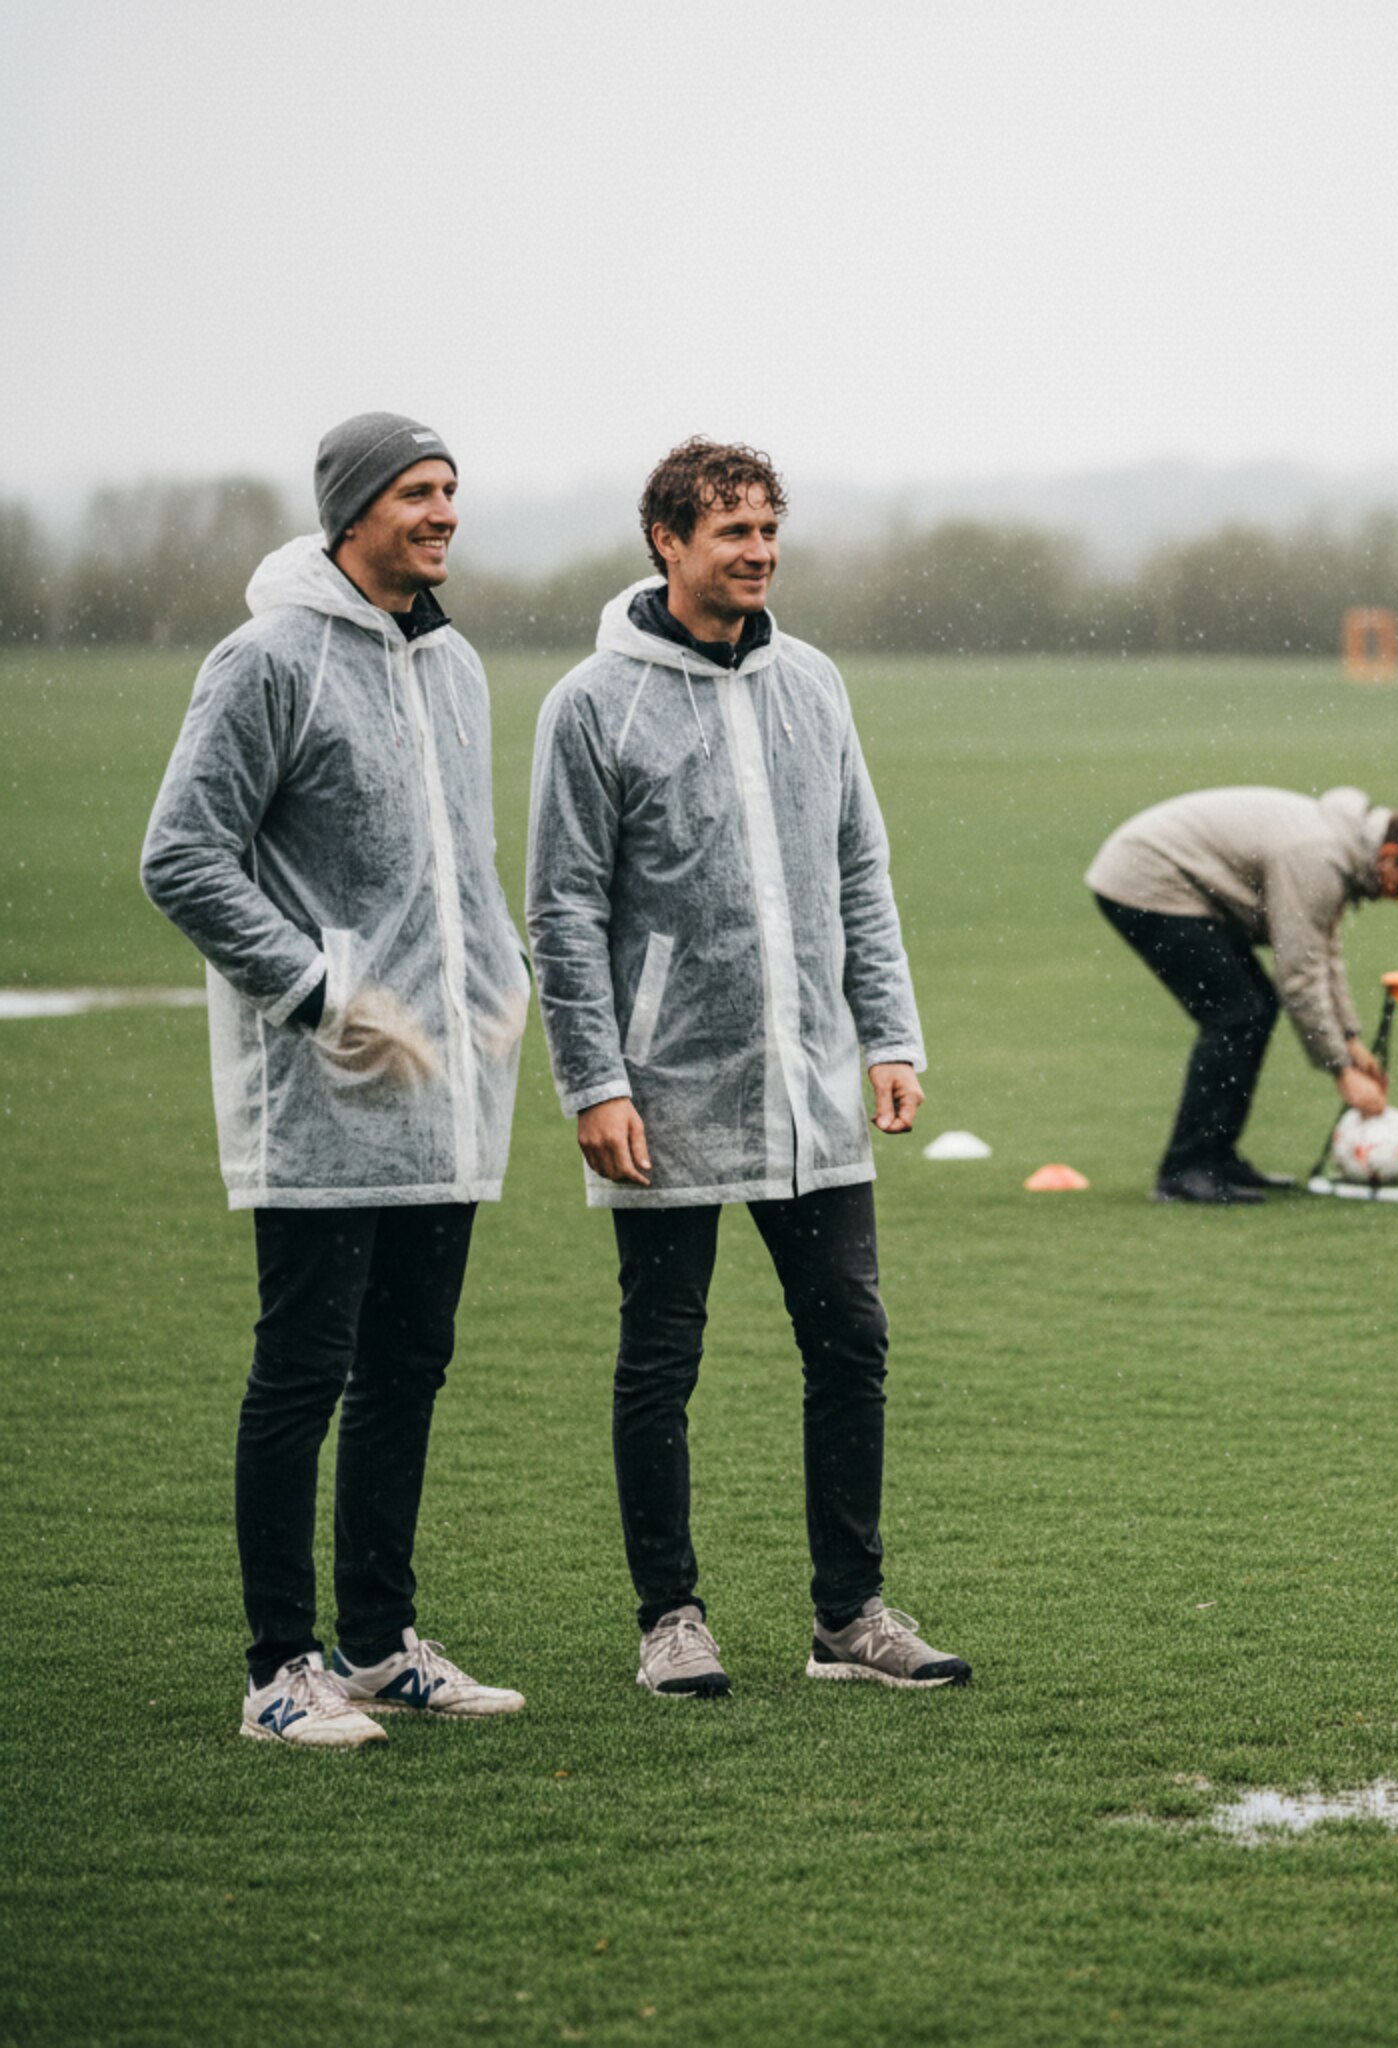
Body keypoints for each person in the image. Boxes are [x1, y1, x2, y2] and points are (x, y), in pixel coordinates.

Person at [526, 437, 969, 1699]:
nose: (758, 552)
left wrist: (888, 1035)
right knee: (662, 1354)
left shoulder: (814, 683)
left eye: (769, 530)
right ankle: (670, 1617)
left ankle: (850, 1617)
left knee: (851, 1341)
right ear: (666, 541)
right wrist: (593, 1080)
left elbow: (858, 871)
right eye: (732, 532)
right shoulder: (591, 704)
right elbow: (560, 911)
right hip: (660, 1089)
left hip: (812, 1084)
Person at [141, 412, 530, 1748]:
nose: (443, 514)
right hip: (317, 1087)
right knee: (303, 1367)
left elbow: (462, 863)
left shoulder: (460, 665)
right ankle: (275, 1671)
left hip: (446, 1095)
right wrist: (323, 994)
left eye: (452, 492)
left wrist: (500, 980)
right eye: (418, 493)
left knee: (410, 1363)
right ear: (352, 511)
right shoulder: (264, 662)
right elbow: (182, 857)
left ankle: (374, 1645)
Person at [1087, 786, 1398, 1204]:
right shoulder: (1318, 858)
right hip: (1145, 880)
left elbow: (1322, 951)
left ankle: (1217, 1156)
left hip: (1174, 881)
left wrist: (1348, 1040)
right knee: (1235, 1012)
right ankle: (1185, 1170)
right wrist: (1340, 1070)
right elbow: (1298, 974)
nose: (1395, 898)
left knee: (1253, 1008)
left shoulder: (1339, 852)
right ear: (1386, 853)